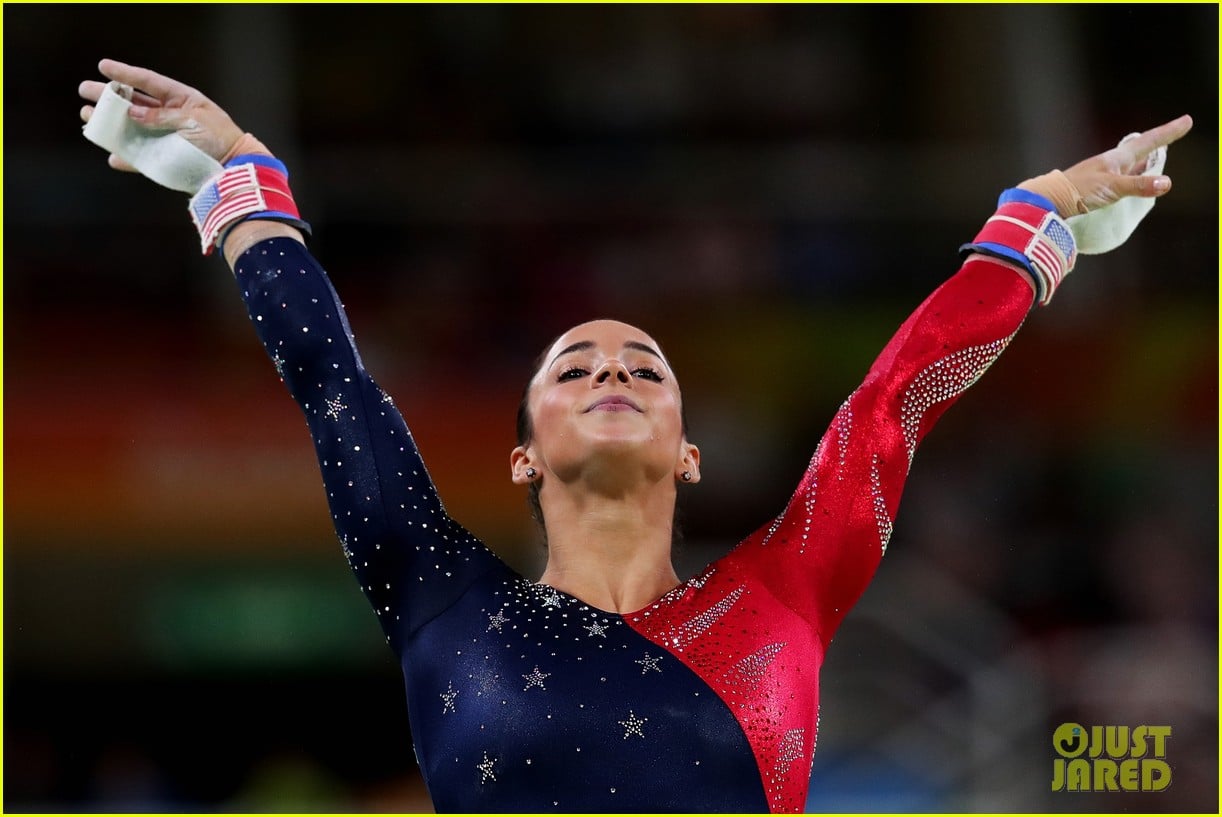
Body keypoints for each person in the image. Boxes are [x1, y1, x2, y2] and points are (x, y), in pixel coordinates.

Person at [78, 58, 1192, 813]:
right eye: (574, 366)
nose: (612, 367)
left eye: (644, 367)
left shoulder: (783, 590)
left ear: (688, 452)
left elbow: (893, 400)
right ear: (523, 453)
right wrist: (238, 170)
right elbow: (334, 384)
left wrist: (1035, 216)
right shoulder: (439, 595)